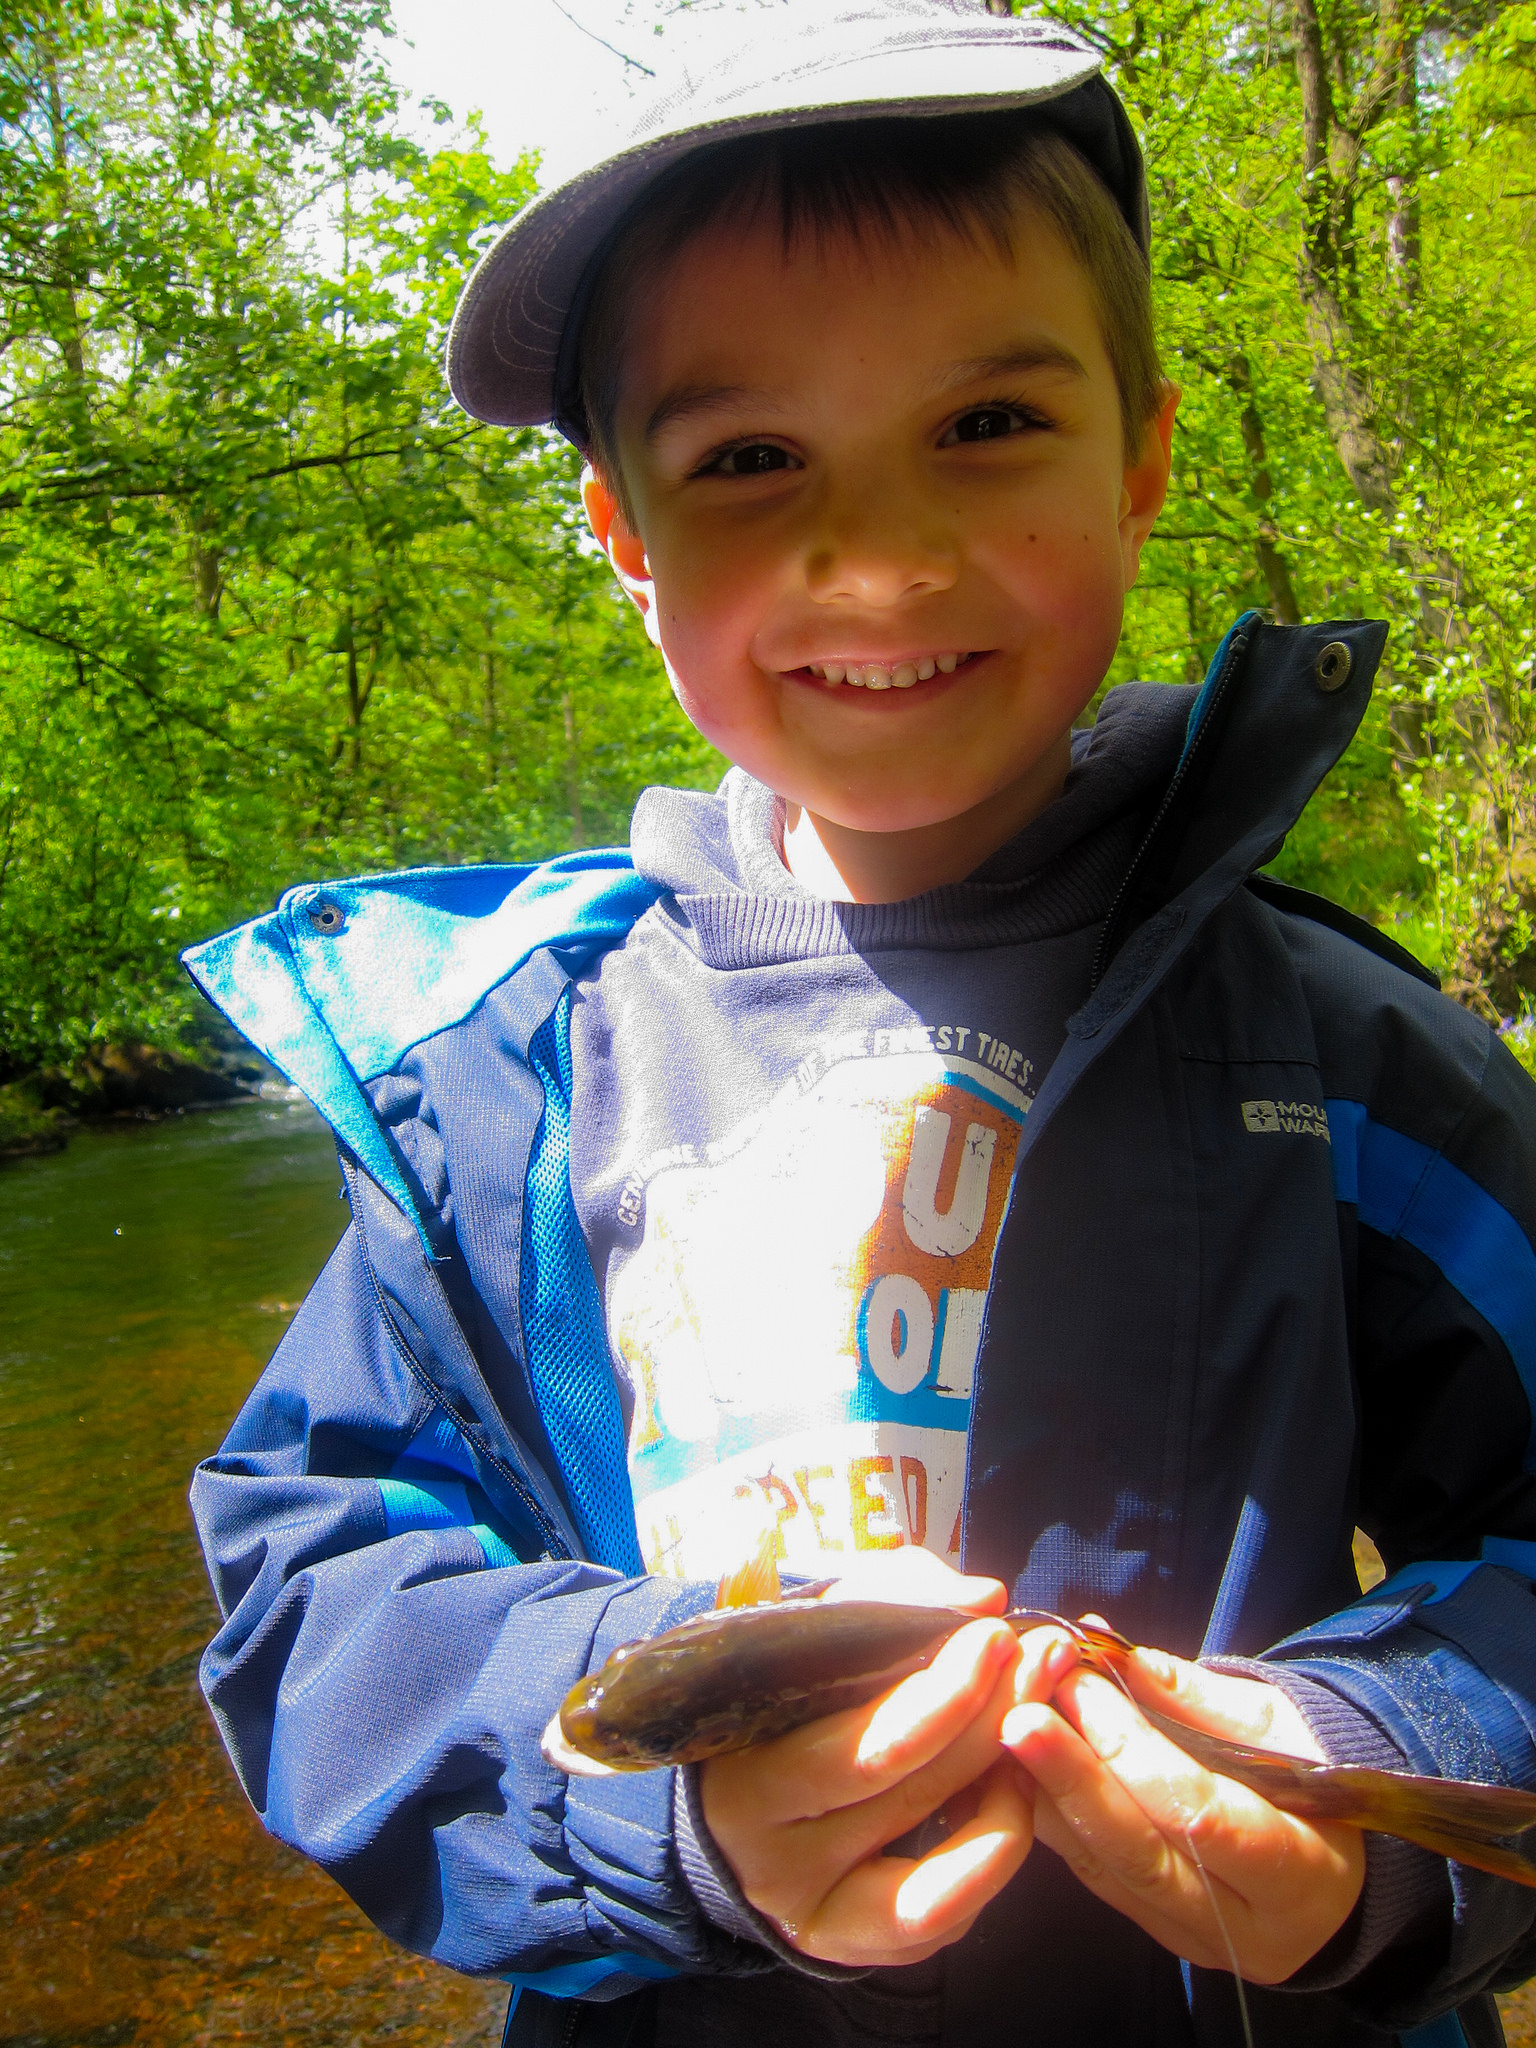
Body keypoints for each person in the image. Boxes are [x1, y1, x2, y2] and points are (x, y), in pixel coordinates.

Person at [184, 4, 1536, 2043]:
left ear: (1147, 452)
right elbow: (312, 1584)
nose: (884, 558)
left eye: (987, 425)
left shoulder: (1330, 1048)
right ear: (627, 538)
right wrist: (652, 1814)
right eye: (749, 460)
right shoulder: (513, 1074)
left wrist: (1374, 1767)